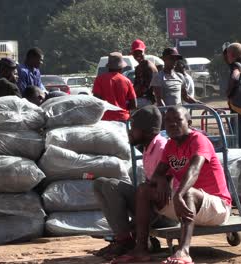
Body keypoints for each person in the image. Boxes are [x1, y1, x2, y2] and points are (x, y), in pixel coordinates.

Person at [111, 106, 232, 264]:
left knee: (187, 192)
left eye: (178, 120)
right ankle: (141, 249)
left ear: (188, 122)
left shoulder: (199, 140)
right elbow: (156, 175)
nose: (172, 124)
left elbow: (194, 170)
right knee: (143, 190)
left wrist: (179, 194)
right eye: (168, 121)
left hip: (217, 207)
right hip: (189, 206)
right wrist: (162, 180)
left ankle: (183, 251)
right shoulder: (170, 146)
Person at [93, 105, 175, 260]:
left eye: (134, 128)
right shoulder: (148, 147)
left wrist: (136, 226)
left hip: (164, 212)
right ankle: (124, 239)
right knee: (100, 183)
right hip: (150, 205)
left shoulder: (161, 148)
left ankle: (125, 240)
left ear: (147, 131)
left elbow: (164, 196)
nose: (130, 132)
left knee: (111, 185)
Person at [93, 52, 137, 122]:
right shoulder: (127, 81)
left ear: (108, 67)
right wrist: (123, 108)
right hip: (123, 118)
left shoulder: (99, 79)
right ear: (121, 67)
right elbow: (134, 104)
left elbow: (96, 101)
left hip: (105, 119)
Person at [131, 39, 158, 108]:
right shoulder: (138, 68)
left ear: (144, 51)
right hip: (142, 98)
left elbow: (146, 88)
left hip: (150, 99)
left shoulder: (148, 66)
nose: (138, 55)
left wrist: (132, 96)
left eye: (140, 52)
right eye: (135, 53)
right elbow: (136, 86)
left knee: (127, 104)